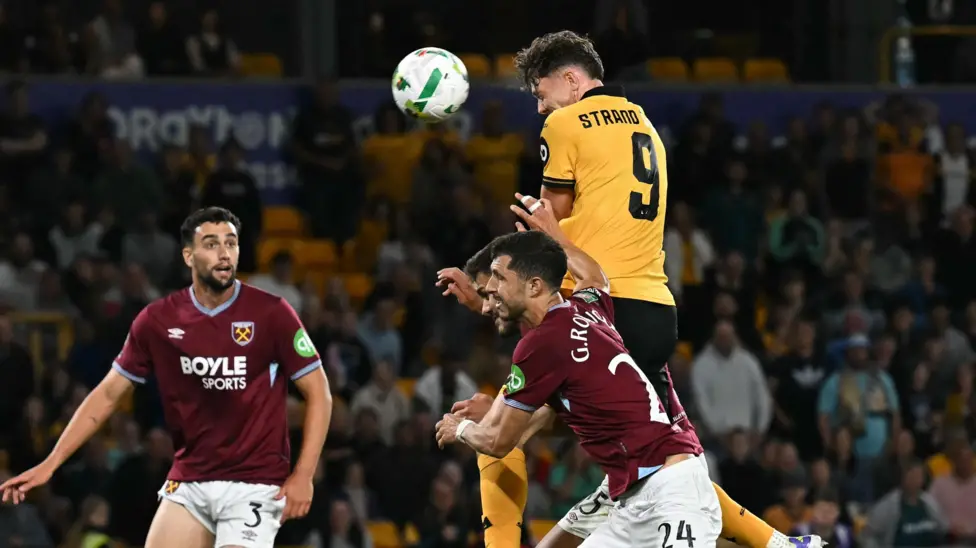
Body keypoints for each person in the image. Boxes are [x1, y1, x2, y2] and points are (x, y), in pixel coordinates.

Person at [504, 29, 819, 548]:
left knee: (504, 429)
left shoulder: (565, 123)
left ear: (570, 80)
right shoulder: (645, 122)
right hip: (654, 308)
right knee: (673, 456)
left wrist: (530, 236)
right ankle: (780, 545)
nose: (541, 108)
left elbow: (549, 223)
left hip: (600, 310)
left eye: (541, 93)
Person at [1, 207, 333, 548]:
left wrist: (304, 474)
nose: (224, 253)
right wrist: (51, 463)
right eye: (211, 244)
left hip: (255, 483)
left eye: (230, 243)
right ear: (188, 255)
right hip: (190, 481)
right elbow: (108, 395)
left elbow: (319, 392)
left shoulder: (272, 312)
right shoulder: (158, 320)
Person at [434, 208, 721, 548]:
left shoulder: (540, 344)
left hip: (671, 491)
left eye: (499, 278)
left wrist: (461, 429)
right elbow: (594, 275)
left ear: (534, 285)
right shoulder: (587, 308)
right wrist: (557, 236)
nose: (491, 289)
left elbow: (497, 441)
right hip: (634, 494)